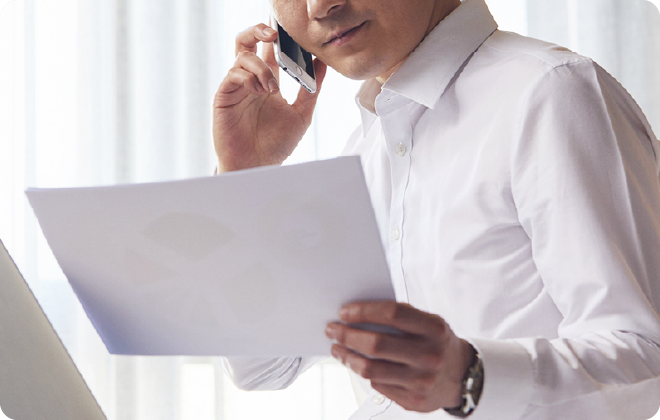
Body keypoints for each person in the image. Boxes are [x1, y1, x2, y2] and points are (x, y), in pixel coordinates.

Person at [212, 0, 660, 418]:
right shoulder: (366, 149)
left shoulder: (550, 92)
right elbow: (263, 366)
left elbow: (646, 357)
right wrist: (246, 177)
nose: (319, 6)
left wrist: (470, 379)